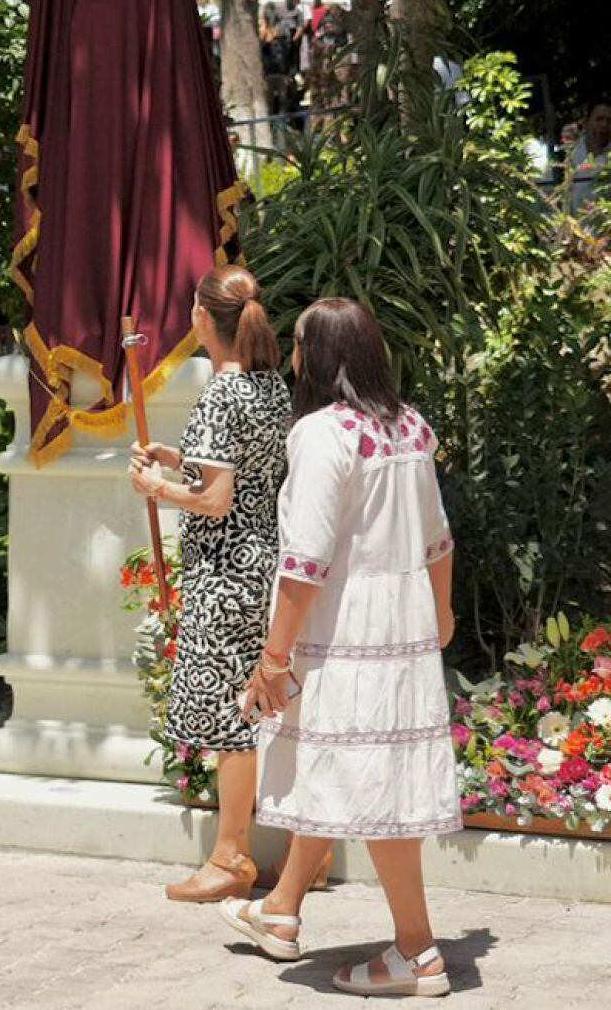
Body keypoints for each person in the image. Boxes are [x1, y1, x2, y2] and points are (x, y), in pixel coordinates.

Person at [221, 298, 460, 998]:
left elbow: (305, 561)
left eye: (298, 345)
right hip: (401, 626)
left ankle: (417, 952)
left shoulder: (322, 433)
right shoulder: (410, 425)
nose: (293, 357)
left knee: (371, 779)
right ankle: (281, 909)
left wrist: (274, 658)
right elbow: (439, 540)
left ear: (317, 356)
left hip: (345, 629)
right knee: (350, 767)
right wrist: (441, 613)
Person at [127, 266, 295, 902]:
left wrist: (158, 486)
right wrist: (180, 460)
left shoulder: (221, 393)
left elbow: (216, 499)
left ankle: (231, 855)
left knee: (233, 717)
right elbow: (243, 471)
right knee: (264, 709)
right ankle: (291, 853)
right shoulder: (270, 386)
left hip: (225, 571)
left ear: (202, 317)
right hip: (266, 562)